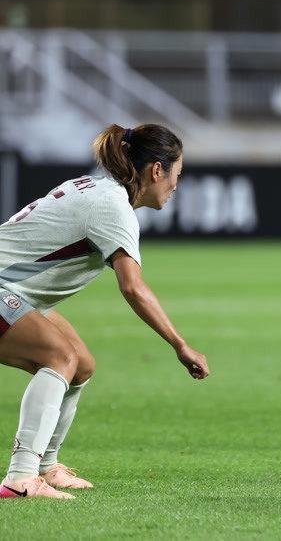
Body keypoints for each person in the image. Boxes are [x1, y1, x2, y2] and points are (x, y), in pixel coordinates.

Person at [0, 124, 209, 500]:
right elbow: (133, 287)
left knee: (80, 363)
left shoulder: (96, 189)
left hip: (15, 292)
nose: (176, 185)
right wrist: (180, 345)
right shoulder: (112, 207)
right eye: (177, 174)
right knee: (58, 356)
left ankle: (46, 466)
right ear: (156, 170)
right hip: (4, 290)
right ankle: (20, 478)